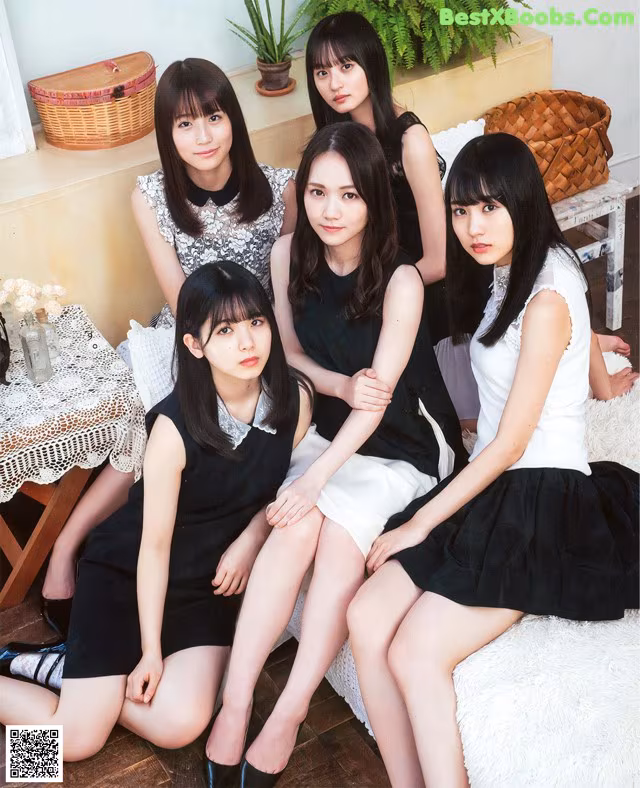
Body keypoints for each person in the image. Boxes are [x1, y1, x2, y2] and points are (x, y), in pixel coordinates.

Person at [347, 133, 639, 788]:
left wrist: (419, 524)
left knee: (416, 653)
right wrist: (601, 378)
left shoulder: (544, 299)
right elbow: (579, 332)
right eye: (460, 211)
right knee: (365, 616)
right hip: (495, 478)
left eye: (488, 209)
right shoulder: (541, 258)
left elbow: (511, 443)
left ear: (521, 204)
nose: (472, 227)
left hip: (538, 497)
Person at [204, 122, 465, 786]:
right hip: (333, 422)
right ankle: (235, 708)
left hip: (405, 443)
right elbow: (288, 354)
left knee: (334, 530)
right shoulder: (290, 253)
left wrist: (316, 476)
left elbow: (379, 401)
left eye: (348, 196)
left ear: (375, 198)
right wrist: (335, 384)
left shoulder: (401, 279)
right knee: (294, 530)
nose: (329, 210)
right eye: (317, 192)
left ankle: (287, 717)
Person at [0, 262, 312, 770]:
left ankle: (69, 673)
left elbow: (273, 488)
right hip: (130, 575)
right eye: (226, 331)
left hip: (204, 589)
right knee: (76, 743)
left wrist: (253, 536)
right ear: (195, 346)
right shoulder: (173, 428)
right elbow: (154, 546)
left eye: (256, 322)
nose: (247, 342)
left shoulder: (294, 401)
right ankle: (38, 713)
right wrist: (148, 651)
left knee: (179, 724)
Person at [39, 58, 296, 628]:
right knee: (149, 422)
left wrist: (258, 351)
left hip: (260, 339)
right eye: (184, 124)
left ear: (234, 120)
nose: (202, 136)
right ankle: (65, 548)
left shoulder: (282, 188)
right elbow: (180, 294)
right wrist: (209, 351)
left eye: (213, 116)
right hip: (190, 336)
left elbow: (287, 290)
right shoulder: (150, 195)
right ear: (167, 133)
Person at [305, 11, 633, 429]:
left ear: (371, 63)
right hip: (387, 280)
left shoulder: (410, 140)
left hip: (437, 287)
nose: (335, 83)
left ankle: (579, 345)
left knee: (467, 416)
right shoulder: (334, 142)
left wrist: (376, 290)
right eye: (322, 72)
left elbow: (439, 259)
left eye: (346, 67)